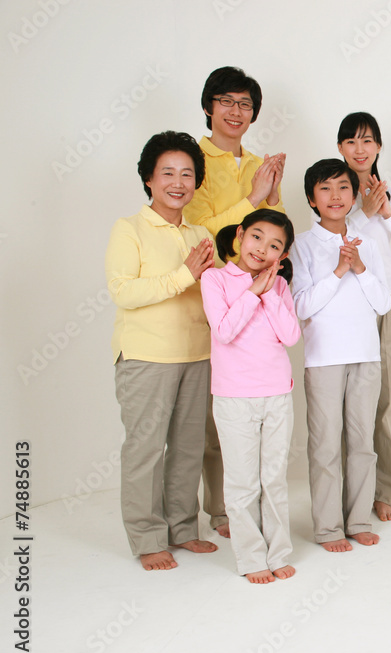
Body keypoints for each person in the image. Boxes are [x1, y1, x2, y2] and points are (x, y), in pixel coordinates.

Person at [105, 130, 220, 571]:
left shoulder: (199, 233)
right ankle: (147, 537)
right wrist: (183, 275)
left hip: (197, 354)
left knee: (188, 448)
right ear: (149, 179)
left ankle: (183, 528)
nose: (178, 182)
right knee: (146, 449)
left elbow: (215, 293)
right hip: (146, 357)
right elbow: (123, 291)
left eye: (187, 174)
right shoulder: (129, 228)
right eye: (167, 172)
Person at [184, 66, 287, 538]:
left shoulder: (259, 163)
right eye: (226, 101)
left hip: (260, 304)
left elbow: (275, 233)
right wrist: (253, 199)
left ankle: (250, 508)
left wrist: (272, 197)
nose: (235, 111)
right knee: (218, 419)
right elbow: (199, 231)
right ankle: (222, 510)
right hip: (213, 296)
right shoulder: (194, 161)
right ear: (209, 107)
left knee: (250, 410)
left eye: (245, 104)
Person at [290, 159, 391, 552]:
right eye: (325, 188)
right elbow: (301, 306)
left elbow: (383, 303)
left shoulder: (368, 243)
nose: (335, 196)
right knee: (326, 446)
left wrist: (360, 268)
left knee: (362, 442)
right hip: (324, 359)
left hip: (366, 355)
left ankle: (359, 519)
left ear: (354, 195)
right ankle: (328, 527)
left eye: (343, 187)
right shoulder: (302, 245)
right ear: (312, 199)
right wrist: (337, 272)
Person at [200, 209, 300, 584]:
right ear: (241, 235)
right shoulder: (214, 279)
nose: (262, 248)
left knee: (273, 479)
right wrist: (252, 292)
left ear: (282, 256)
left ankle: (279, 552)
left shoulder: (280, 287)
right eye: (257, 237)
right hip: (234, 397)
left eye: (274, 245)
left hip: (277, 394)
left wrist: (269, 292)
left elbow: (290, 336)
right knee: (243, 482)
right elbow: (224, 331)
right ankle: (252, 556)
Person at [337, 112, 391, 522]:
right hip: (348, 303)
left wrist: (386, 212)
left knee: (385, 400)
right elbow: (329, 242)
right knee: (350, 401)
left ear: (378, 146)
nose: (360, 149)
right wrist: (363, 213)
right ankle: (352, 492)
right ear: (340, 147)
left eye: (367, 140)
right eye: (351, 141)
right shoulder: (333, 191)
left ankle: (384, 490)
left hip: (389, 301)